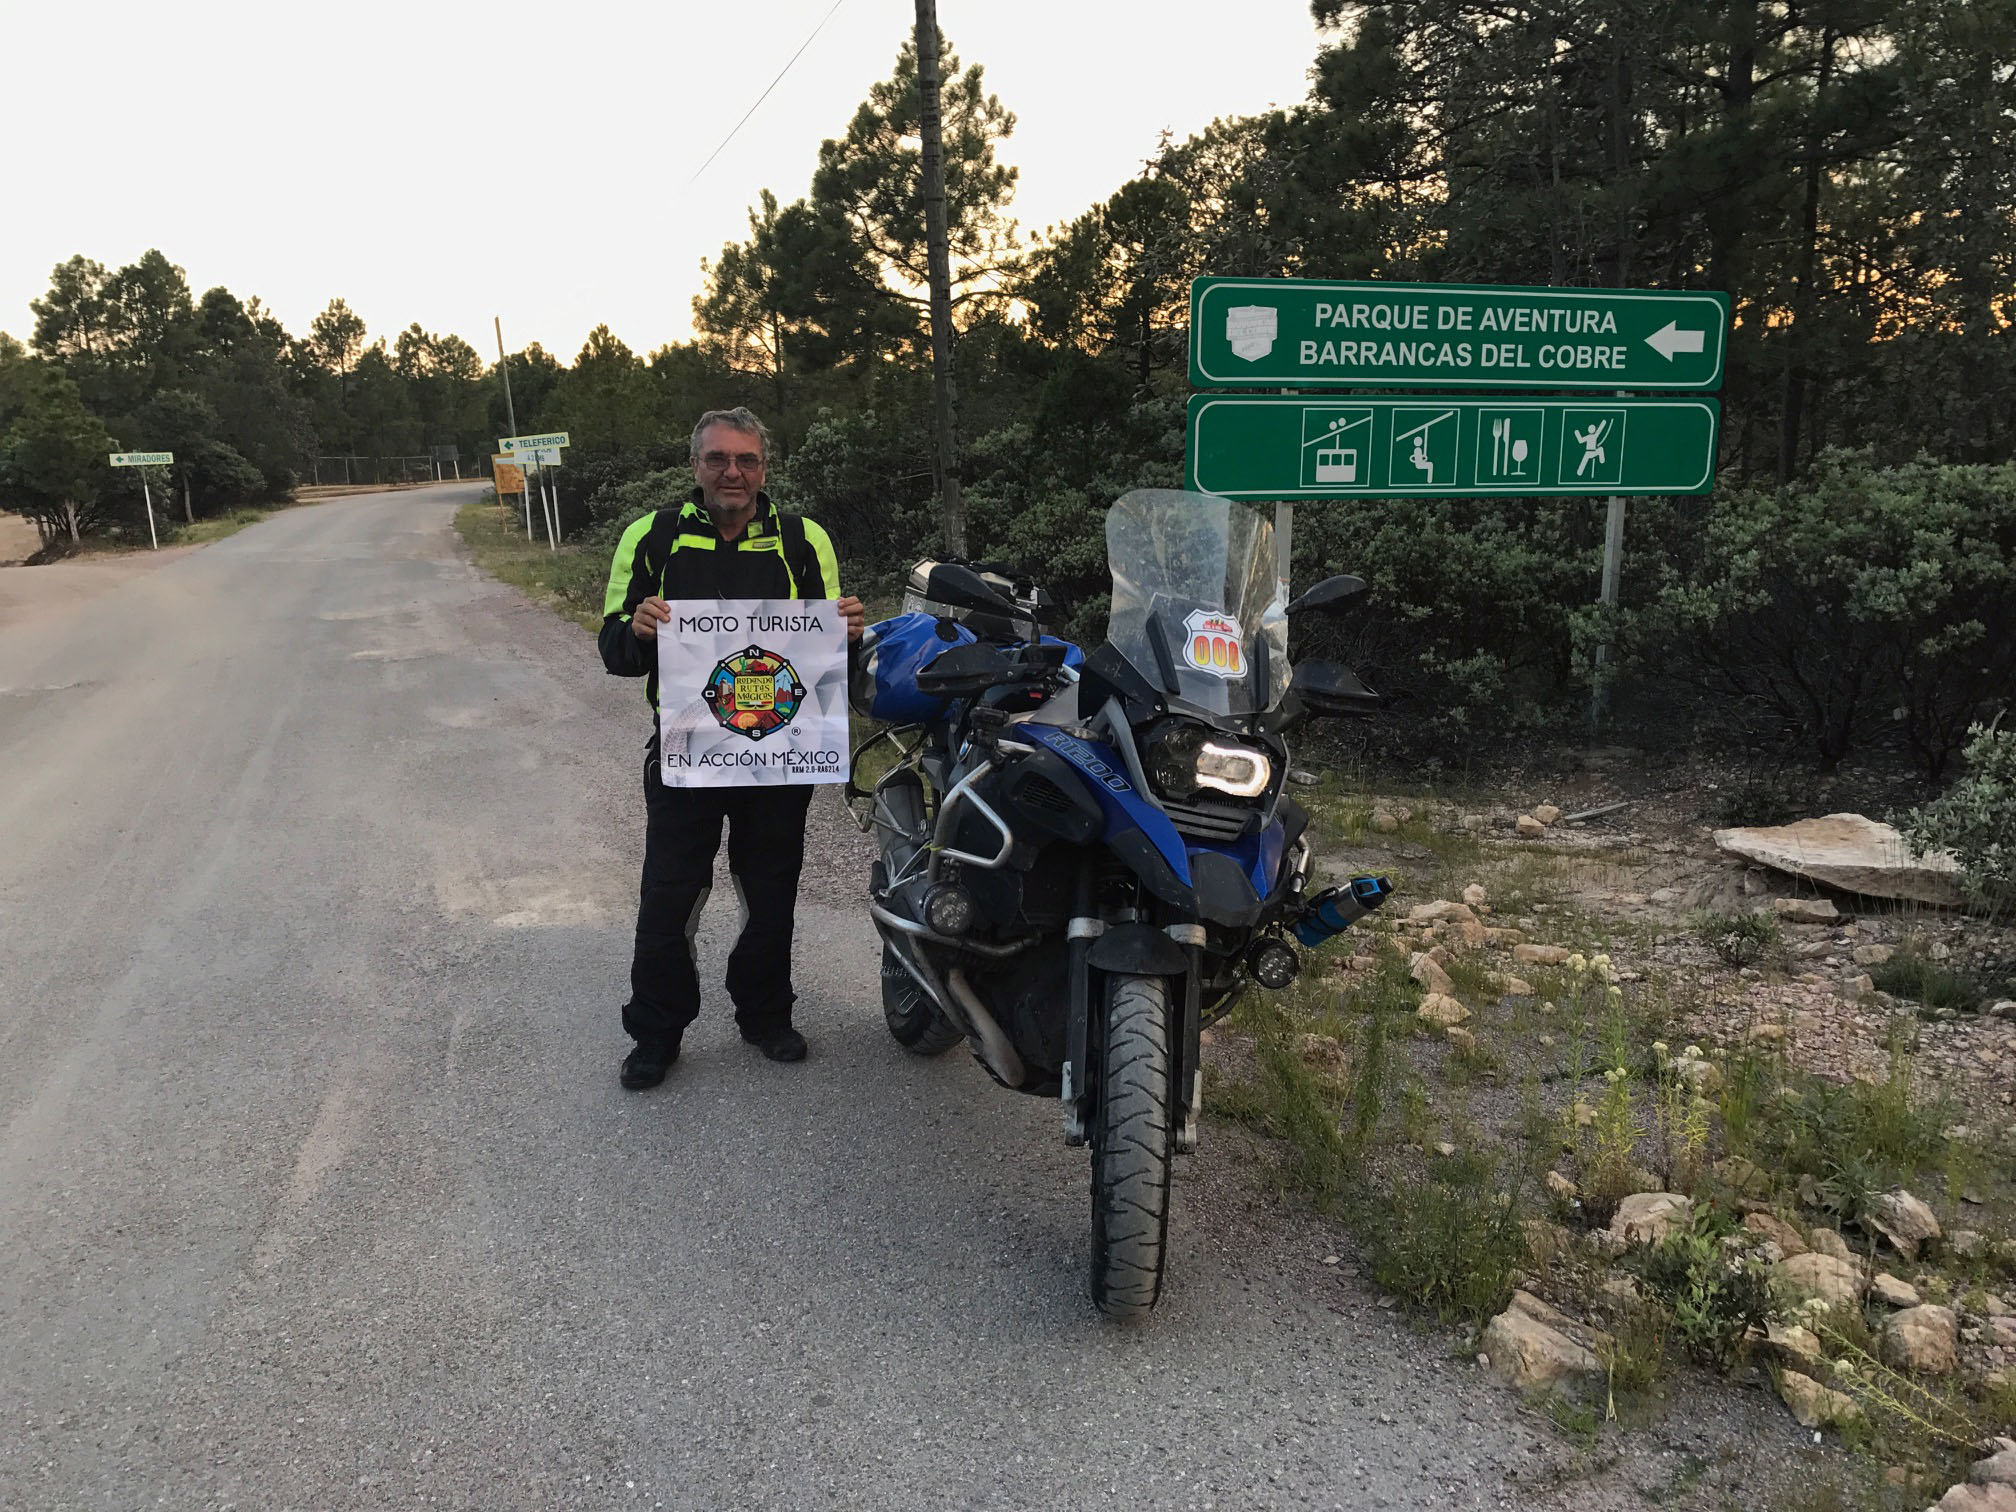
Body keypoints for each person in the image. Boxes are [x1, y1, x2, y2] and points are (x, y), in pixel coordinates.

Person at [598, 407, 865, 1089]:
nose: (732, 472)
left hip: (780, 753)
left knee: (769, 894)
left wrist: (851, 635)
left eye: (746, 459)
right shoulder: (652, 537)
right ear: (696, 465)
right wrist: (638, 630)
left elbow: (827, 656)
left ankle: (766, 1015)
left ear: (764, 469)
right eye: (717, 458)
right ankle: (655, 1033)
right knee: (670, 896)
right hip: (686, 747)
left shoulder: (803, 540)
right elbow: (613, 650)